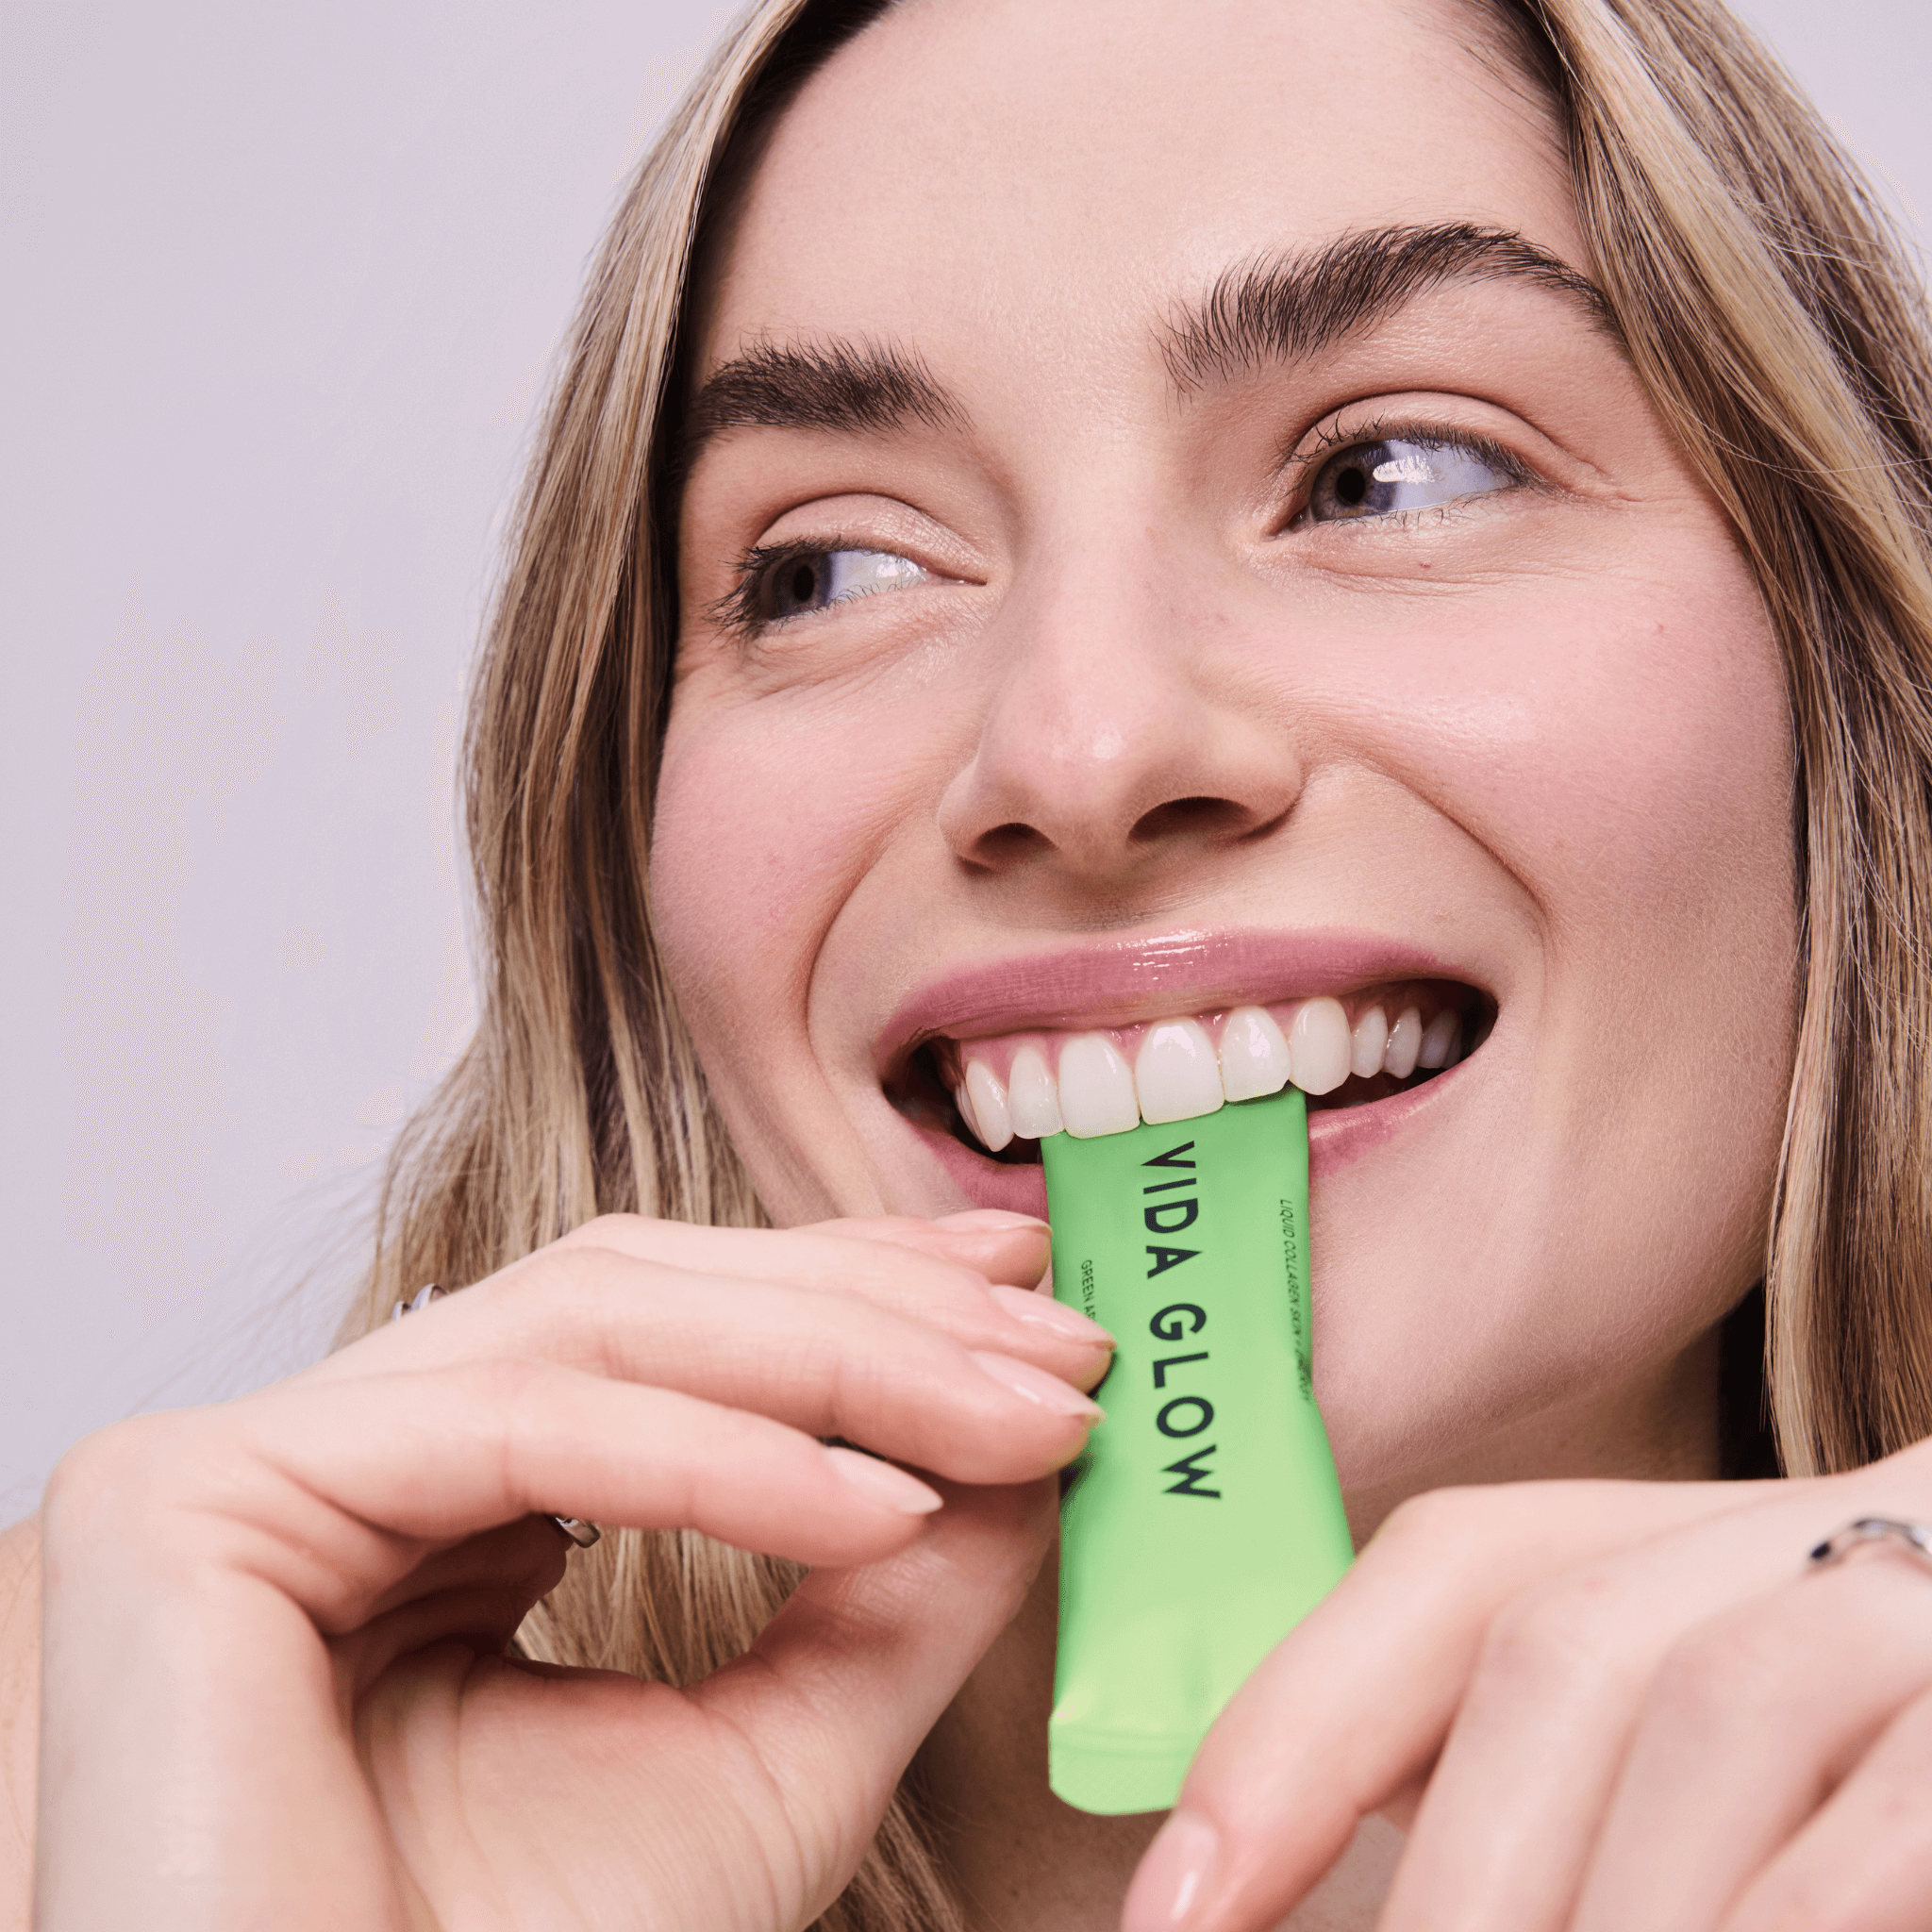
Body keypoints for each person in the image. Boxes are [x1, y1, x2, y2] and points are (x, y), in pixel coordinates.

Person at [11, 0, 1932, 1924]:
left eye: (1389, 473)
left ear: (1844, 672)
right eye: (830, 566)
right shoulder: (119, 1807)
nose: (1080, 755)